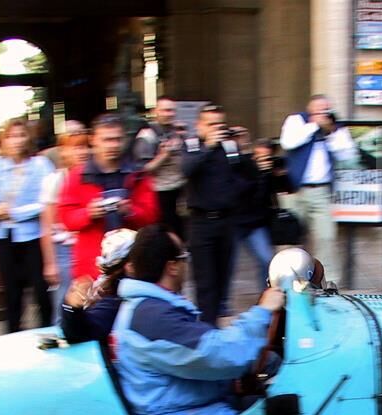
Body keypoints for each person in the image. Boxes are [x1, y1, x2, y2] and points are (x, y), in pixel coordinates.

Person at [109, 224, 285, 415]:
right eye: (184, 256)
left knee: (271, 372)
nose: (186, 264)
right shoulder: (152, 317)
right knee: (288, 414)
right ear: (172, 267)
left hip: (188, 404)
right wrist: (262, 311)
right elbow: (220, 355)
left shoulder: (148, 307)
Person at [0, 117, 55, 333]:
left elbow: (48, 201)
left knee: (40, 291)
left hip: (33, 236)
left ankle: (46, 335)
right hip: (3, 237)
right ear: (2, 139)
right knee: (11, 294)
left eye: (21, 135)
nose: (16, 141)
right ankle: (13, 338)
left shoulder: (41, 165)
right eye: (11, 136)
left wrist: (17, 213)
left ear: (29, 138)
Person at [58, 113, 160, 280]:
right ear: (93, 140)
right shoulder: (78, 175)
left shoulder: (138, 174)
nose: (113, 145)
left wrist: (130, 211)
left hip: (133, 260)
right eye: (107, 140)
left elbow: (152, 215)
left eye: (117, 139)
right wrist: (88, 213)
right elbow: (65, 218)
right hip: (93, 263)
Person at [181, 104, 248, 324]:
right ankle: (206, 330)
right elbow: (187, 170)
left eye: (219, 124)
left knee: (222, 281)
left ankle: (215, 326)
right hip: (201, 223)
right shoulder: (193, 146)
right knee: (205, 283)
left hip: (226, 221)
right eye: (210, 124)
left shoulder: (229, 148)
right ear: (199, 125)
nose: (216, 129)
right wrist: (208, 147)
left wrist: (232, 194)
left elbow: (242, 176)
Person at [279, 95, 356, 279]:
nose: (324, 113)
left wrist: (331, 133)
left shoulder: (335, 128)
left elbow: (349, 156)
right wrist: (313, 125)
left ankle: (327, 284)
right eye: (319, 109)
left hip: (321, 192)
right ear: (310, 109)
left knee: (326, 238)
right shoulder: (297, 120)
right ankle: (287, 284)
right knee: (291, 241)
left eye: (326, 109)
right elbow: (288, 142)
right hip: (295, 192)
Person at [40, 127, 90, 322]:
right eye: (76, 147)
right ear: (62, 151)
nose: (82, 152)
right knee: (65, 300)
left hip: (88, 245)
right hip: (65, 249)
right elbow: (47, 226)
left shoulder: (93, 176)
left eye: (85, 147)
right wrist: (50, 263)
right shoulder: (55, 180)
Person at [234, 135, 291, 287]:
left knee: (266, 260)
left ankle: (265, 295)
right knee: (228, 265)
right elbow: (246, 194)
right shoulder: (244, 165)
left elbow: (286, 189)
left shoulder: (270, 171)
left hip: (256, 224)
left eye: (266, 157)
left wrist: (279, 174)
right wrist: (259, 174)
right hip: (236, 222)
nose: (263, 160)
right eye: (259, 156)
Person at [131, 97, 187, 237]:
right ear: (155, 111)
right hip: (160, 193)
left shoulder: (177, 131)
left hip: (180, 190)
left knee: (181, 232)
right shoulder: (147, 135)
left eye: (172, 110)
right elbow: (142, 170)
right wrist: (164, 155)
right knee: (167, 234)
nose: (169, 114)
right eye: (165, 110)